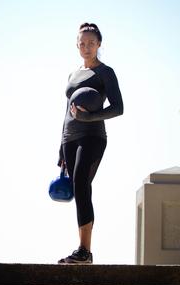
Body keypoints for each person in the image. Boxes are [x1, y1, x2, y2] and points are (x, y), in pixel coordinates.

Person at [57, 23, 124, 264]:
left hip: (93, 136)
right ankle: (83, 251)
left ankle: (84, 251)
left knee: (81, 182)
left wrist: (89, 117)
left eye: (91, 43)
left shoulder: (106, 72)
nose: (86, 47)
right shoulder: (72, 74)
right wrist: (60, 146)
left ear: (99, 44)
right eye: (82, 43)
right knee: (79, 188)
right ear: (77, 45)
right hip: (70, 138)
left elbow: (118, 108)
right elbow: (67, 110)